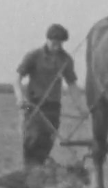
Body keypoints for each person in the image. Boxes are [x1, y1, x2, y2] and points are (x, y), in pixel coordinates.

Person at [13, 23, 87, 170]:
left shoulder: (65, 60)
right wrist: (20, 98)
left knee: (47, 139)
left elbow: (72, 85)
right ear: (47, 39)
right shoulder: (34, 56)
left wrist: (81, 108)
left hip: (53, 105)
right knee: (33, 136)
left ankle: (38, 169)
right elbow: (17, 78)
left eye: (60, 43)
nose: (57, 46)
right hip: (32, 103)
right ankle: (29, 169)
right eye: (54, 42)